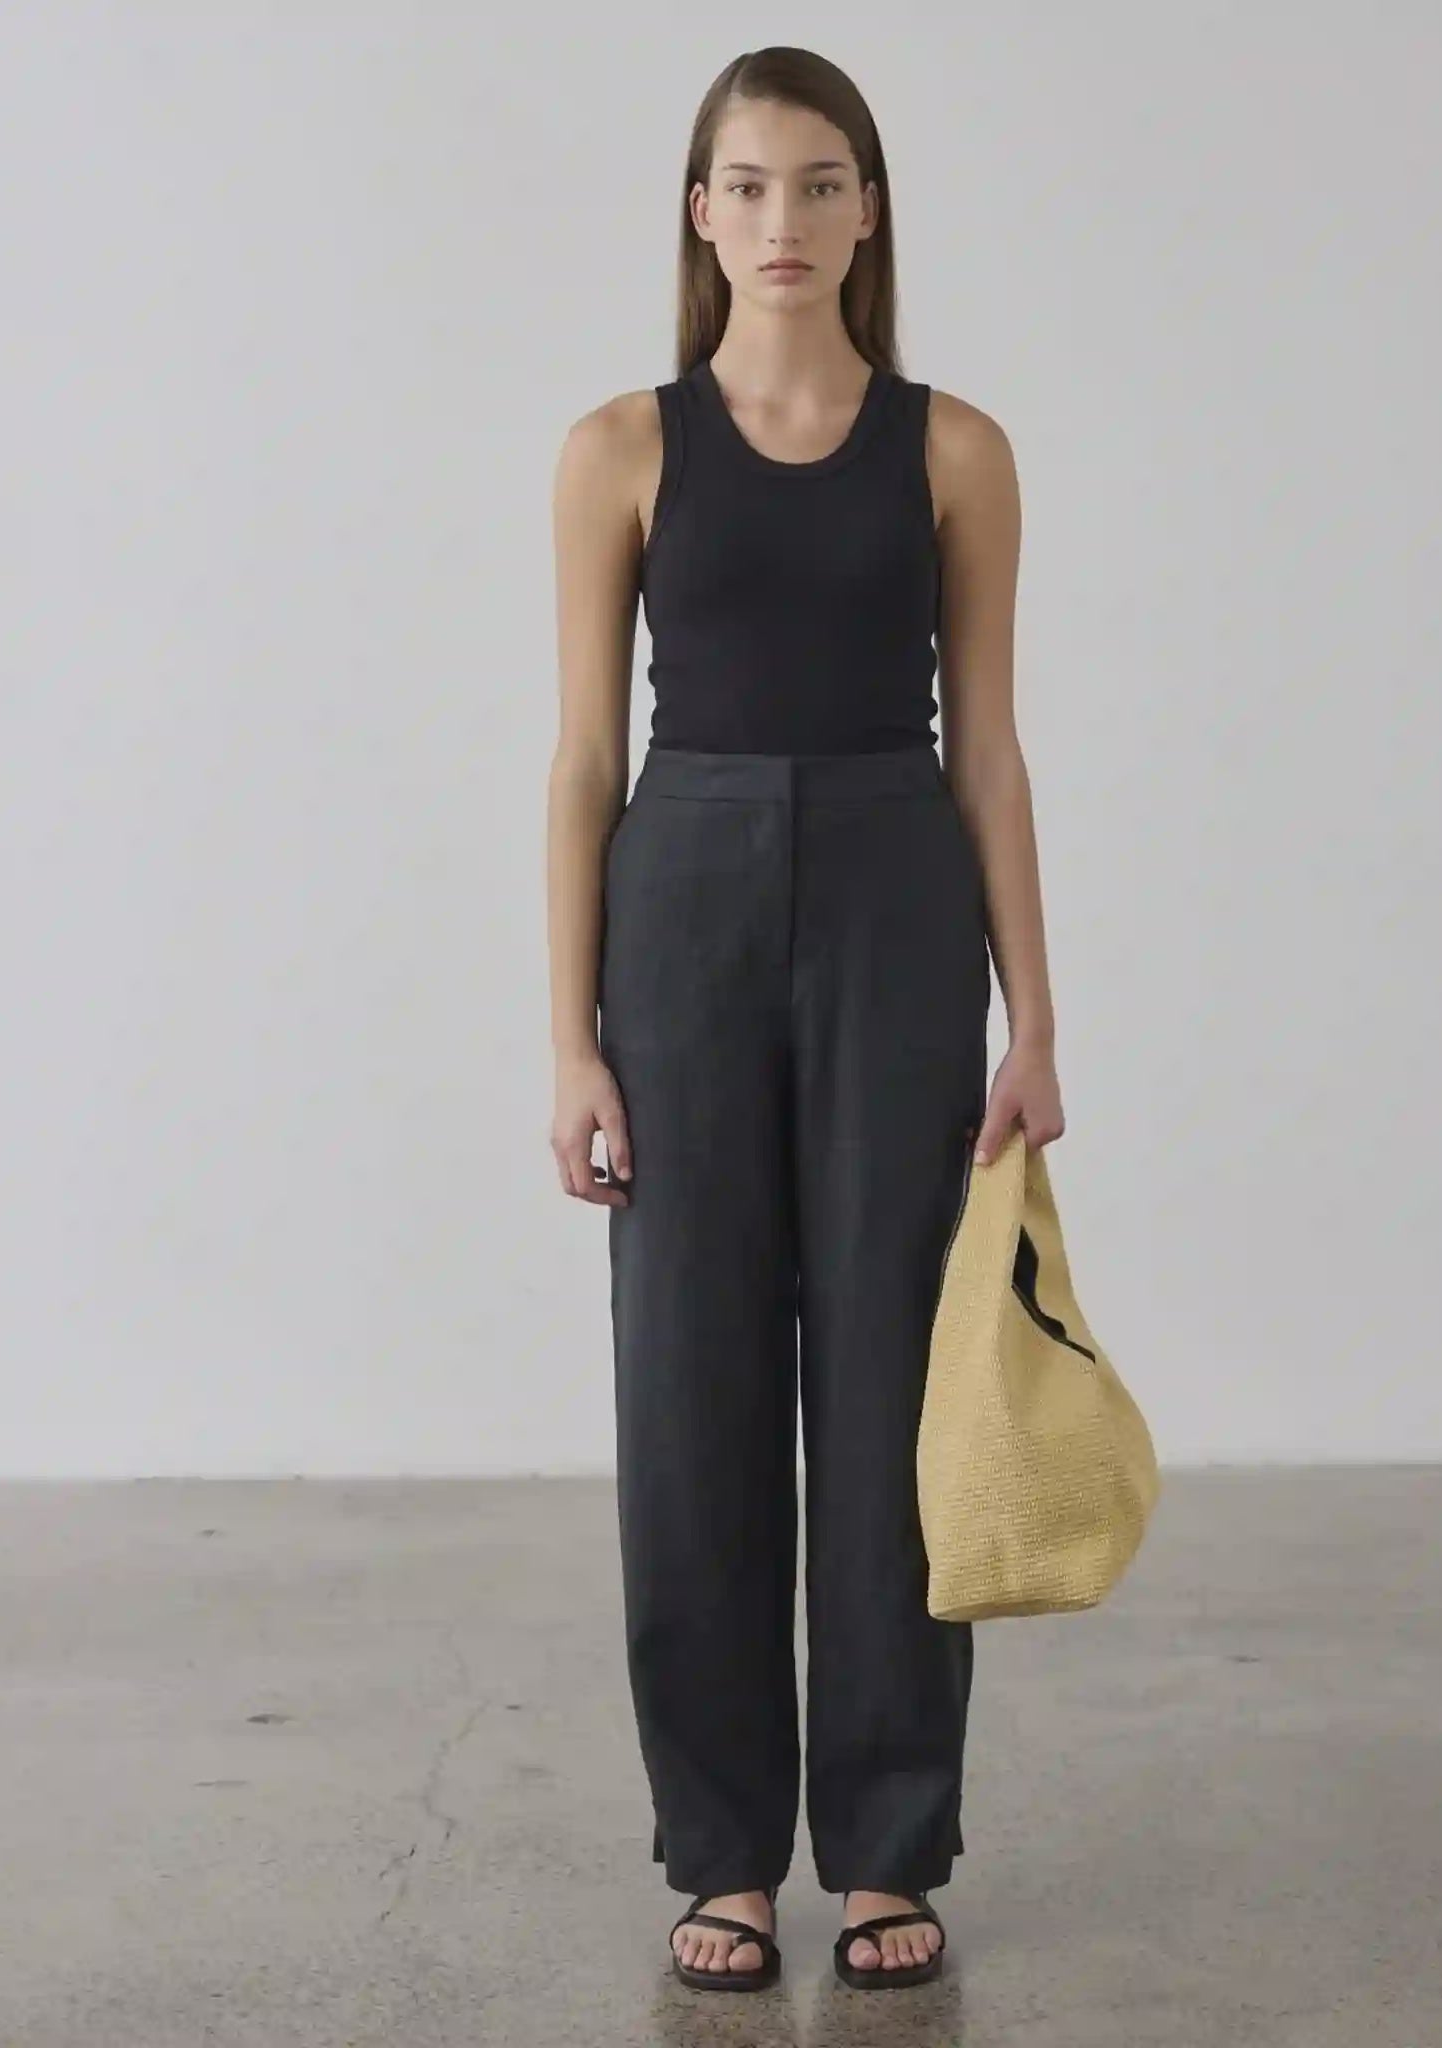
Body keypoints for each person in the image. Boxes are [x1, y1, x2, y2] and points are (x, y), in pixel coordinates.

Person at [544, 45, 1065, 1991]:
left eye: (818, 184)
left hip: (892, 895)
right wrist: (570, 1035)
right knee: (686, 1387)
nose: (781, 220)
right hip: (675, 909)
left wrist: (1033, 1018)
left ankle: (885, 1836)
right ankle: (716, 1844)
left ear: (868, 214)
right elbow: (584, 754)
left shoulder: (953, 450)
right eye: (745, 186)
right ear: (699, 213)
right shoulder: (616, 447)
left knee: (886, 1390)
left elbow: (992, 753)